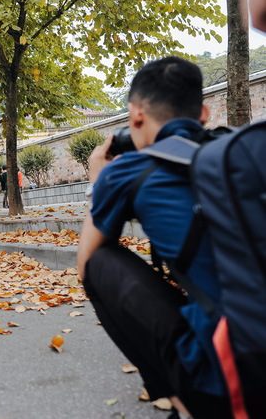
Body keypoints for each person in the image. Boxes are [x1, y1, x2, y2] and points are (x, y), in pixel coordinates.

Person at [77, 57, 234, 419]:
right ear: (205, 113)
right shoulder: (238, 151)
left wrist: (98, 183)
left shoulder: (128, 172)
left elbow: (86, 261)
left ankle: (185, 403)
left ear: (135, 116)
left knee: (98, 265)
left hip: (229, 375)